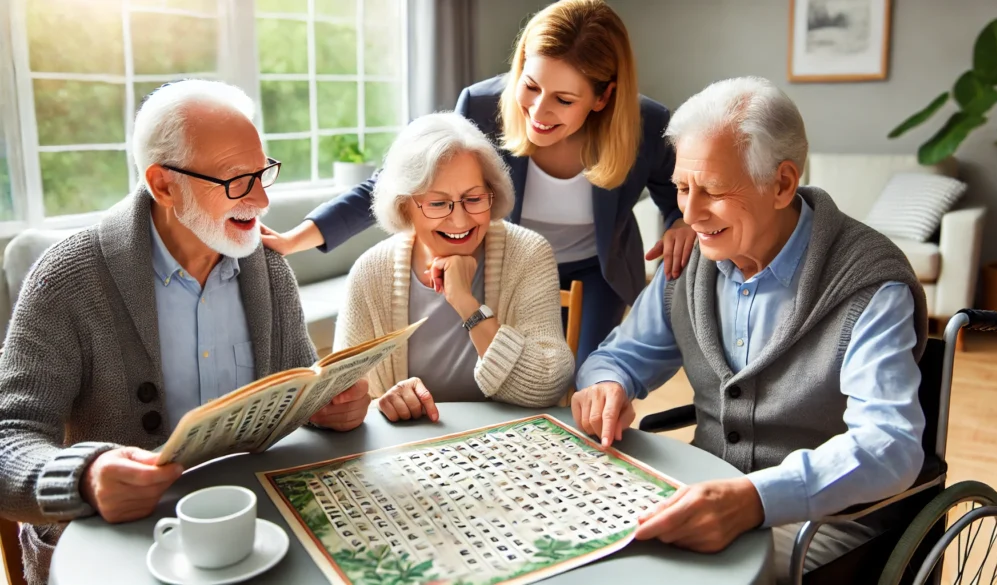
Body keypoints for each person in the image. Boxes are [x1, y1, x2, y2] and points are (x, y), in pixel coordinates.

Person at [0, 80, 371, 585]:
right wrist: (84, 478)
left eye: (263, 173)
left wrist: (328, 409)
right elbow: (9, 438)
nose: (261, 200)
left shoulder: (267, 268)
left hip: (255, 536)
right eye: (237, 180)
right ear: (165, 185)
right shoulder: (66, 280)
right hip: (120, 551)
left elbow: (294, 393)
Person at [570, 77, 929, 583]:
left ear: (782, 184)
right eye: (681, 188)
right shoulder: (692, 259)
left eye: (711, 191)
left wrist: (754, 500)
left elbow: (889, 445)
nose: (688, 216)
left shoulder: (868, 283)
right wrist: (605, 385)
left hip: (826, 522)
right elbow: (618, 358)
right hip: (703, 487)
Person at [261, 0, 696, 369]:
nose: (539, 112)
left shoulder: (646, 124)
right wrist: (297, 238)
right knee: (502, 373)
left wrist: (681, 221)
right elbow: (395, 181)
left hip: (595, 271)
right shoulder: (483, 105)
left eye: (564, 100)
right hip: (509, 265)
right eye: (530, 86)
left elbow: (676, 187)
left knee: (586, 380)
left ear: (602, 98)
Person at [336, 112, 574, 421]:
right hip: (412, 454)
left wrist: (467, 305)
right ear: (404, 205)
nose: (460, 221)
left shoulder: (528, 253)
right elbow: (341, 398)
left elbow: (547, 385)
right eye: (438, 203)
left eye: (474, 199)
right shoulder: (371, 272)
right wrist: (382, 403)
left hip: (513, 446)